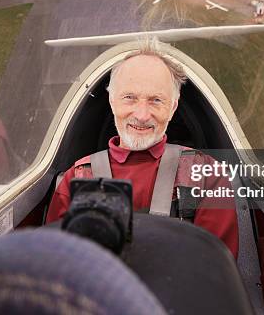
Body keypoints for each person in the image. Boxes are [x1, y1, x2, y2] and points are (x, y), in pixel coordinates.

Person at [46, 39, 238, 258]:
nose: (142, 115)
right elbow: (58, 266)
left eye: (156, 100)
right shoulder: (76, 178)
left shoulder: (206, 175)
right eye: (130, 98)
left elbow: (216, 272)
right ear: (112, 101)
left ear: (173, 107)